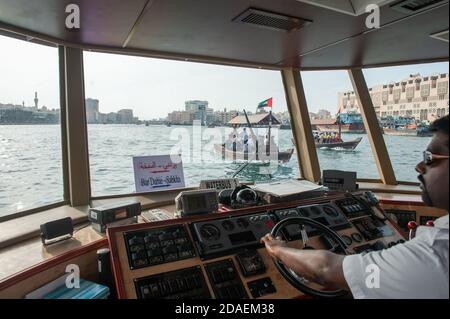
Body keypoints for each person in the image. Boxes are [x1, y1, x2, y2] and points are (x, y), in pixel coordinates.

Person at [261, 115, 449, 299]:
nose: (419, 166)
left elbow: (325, 270)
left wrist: (278, 249)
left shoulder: (433, 254)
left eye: (430, 158)